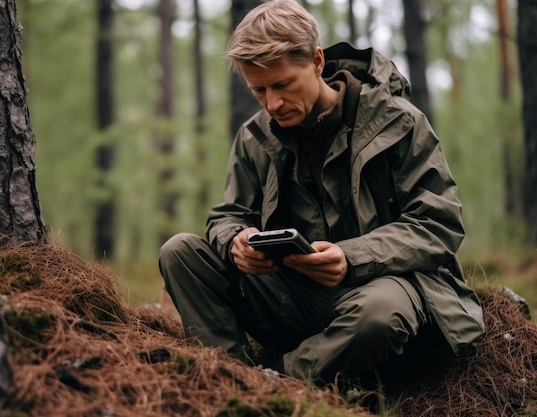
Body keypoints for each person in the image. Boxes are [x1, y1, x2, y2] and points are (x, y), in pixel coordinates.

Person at [159, 0, 485, 385]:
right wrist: (236, 241)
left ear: (316, 61)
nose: (272, 102)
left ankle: (275, 381)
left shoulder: (399, 122)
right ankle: (227, 376)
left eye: (282, 84)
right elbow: (227, 216)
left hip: (379, 296)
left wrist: (351, 256)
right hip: (293, 299)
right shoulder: (255, 136)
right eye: (258, 89)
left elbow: (437, 224)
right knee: (179, 251)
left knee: (379, 312)